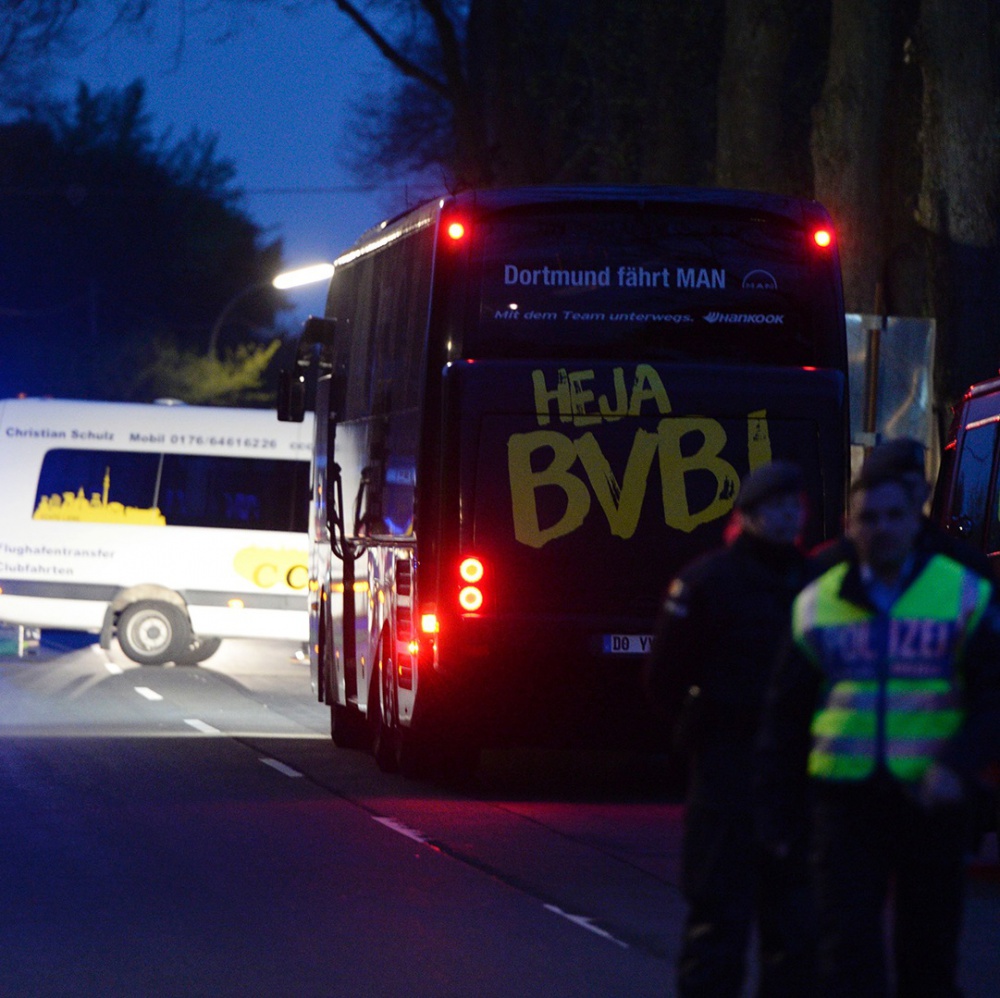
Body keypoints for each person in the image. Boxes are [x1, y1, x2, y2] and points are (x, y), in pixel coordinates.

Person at [757, 453, 1000, 998]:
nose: (881, 529)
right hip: (845, 804)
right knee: (846, 954)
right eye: (868, 518)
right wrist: (776, 813)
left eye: (893, 516)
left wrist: (957, 766)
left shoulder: (961, 590)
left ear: (916, 518)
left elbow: (993, 696)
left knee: (928, 955)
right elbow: (785, 715)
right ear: (850, 523)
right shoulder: (819, 598)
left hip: (930, 803)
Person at [645, 460, 815, 998]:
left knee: (793, 932)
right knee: (718, 922)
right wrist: (704, 727)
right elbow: (665, 675)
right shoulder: (709, 581)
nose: (786, 517)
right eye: (773, 508)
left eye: (793, 506)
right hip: (727, 769)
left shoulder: (815, 585)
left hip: (795, 776)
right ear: (746, 516)